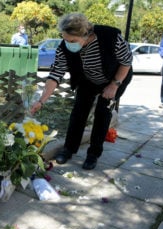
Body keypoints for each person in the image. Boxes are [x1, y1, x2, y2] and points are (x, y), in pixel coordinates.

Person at [30, 13, 133, 170]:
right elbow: (55, 75)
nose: (68, 43)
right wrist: (41, 101)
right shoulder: (64, 47)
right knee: (78, 111)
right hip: (88, 80)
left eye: (72, 41)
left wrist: (114, 85)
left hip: (115, 77)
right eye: (65, 39)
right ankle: (68, 149)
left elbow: (126, 62)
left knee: (102, 112)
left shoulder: (110, 37)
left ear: (86, 34)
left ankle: (93, 154)